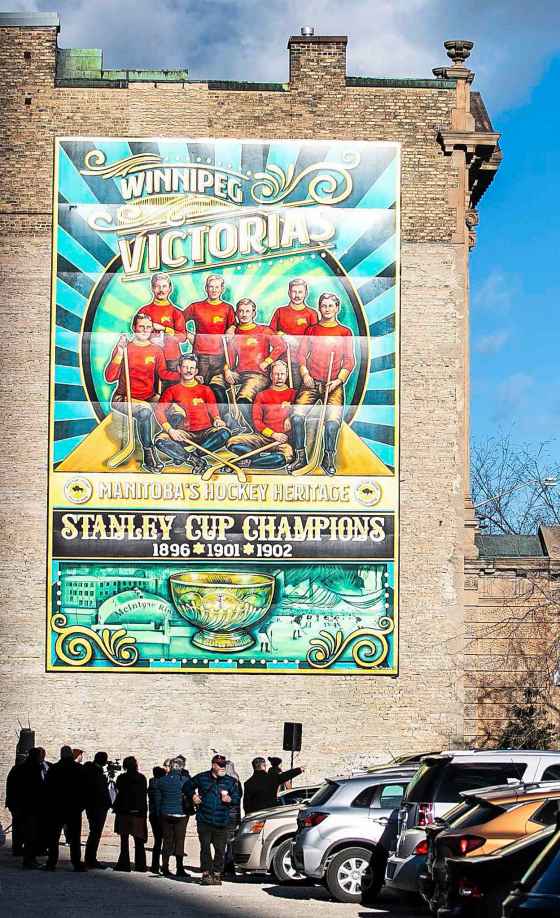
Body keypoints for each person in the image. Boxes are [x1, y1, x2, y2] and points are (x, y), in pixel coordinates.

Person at [289, 292, 355, 476]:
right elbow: (301, 355)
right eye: (324, 306)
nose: (327, 309)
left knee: (332, 423)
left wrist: (338, 381)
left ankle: (328, 458)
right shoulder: (312, 330)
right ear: (319, 308)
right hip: (311, 382)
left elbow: (349, 361)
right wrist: (305, 374)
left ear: (337, 308)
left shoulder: (345, 332)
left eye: (330, 306)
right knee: (296, 417)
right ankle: (300, 457)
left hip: (333, 385)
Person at [104, 313, 180, 473]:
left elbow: (163, 373)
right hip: (124, 397)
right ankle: (148, 453)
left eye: (148, 327)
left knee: (176, 411)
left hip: (149, 396)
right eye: (141, 327)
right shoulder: (125, 348)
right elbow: (110, 377)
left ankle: (170, 446)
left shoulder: (156, 350)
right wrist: (119, 352)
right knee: (145, 411)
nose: (145, 330)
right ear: (134, 328)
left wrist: (183, 375)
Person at [214, 298, 286, 431]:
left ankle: (255, 429)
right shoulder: (234, 334)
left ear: (254, 313)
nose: (244, 314)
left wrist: (267, 361)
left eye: (247, 311)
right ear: (237, 313)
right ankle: (228, 419)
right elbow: (229, 358)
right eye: (241, 311)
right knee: (216, 382)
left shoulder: (264, 330)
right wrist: (227, 371)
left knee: (243, 399)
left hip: (258, 375)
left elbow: (281, 346)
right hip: (239, 373)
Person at [154, 353, 229, 473]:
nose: (188, 371)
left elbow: (213, 409)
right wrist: (170, 430)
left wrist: (217, 419)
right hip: (184, 434)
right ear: (179, 369)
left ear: (196, 371)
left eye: (192, 368)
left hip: (206, 433)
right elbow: (159, 411)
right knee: (160, 441)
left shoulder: (205, 389)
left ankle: (190, 455)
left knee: (224, 433)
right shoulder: (171, 391)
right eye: (185, 367)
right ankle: (194, 460)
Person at [227, 359, 295, 469]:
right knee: (232, 442)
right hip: (263, 438)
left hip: (282, 442)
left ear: (287, 375)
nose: (279, 377)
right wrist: (273, 434)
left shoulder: (293, 394)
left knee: (285, 457)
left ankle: (247, 463)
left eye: (282, 374)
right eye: (276, 374)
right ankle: (258, 458)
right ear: (271, 376)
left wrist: (289, 417)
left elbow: (299, 413)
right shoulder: (262, 395)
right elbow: (257, 422)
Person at [184, 753, 241, 886]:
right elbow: (187, 786)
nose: (223, 767)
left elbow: (237, 798)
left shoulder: (230, 781)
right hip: (204, 818)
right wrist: (193, 796)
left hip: (222, 820)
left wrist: (230, 799)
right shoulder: (202, 777)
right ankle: (206, 874)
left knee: (220, 850)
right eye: (220, 765)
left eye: (224, 765)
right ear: (213, 765)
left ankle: (216, 873)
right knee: (205, 848)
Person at [183, 275, 236, 385]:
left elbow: (233, 325)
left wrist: (232, 328)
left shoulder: (228, 308)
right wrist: (188, 335)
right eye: (211, 287)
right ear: (206, 288)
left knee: (217, 387)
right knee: (199, 385)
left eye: (217, 287)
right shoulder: (195, 307)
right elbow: (178, 321)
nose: (214, 290)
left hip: (220, 356)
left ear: (222, 289)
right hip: (200, 355)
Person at [44, 745, 87, 871]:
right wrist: (81, 806)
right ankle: (76, 863)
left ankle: (51, 862)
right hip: (74, 808)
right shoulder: (79, 769)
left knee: (54, 837)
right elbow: (84, 789)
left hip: (56, 808)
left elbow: (47, 789)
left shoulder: (54, 769)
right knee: (75, 837)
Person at [270, 279, 317, 387]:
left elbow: (315, 339)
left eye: (300, 292)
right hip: (281, 360)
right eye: (294, 292)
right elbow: (270, 333)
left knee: (295, 390)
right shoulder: (280, 311)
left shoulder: (311, 314)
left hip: (301, 363)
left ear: (306, 293)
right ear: (289, 293)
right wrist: (282, 335)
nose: (297, 295)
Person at [136, 272, 186, 371]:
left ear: (170, 288)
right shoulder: (144, 311)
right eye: (157, 286)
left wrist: (164, 329)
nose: (161, 290)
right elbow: (137, 333)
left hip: (171, 358)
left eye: (164, 286)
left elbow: (183, 337)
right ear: (152, 288)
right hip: (150, 357)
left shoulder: (176, 312)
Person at [153, 756, 191, 878]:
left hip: (165, 813)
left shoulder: (161, 781)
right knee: (180, 841)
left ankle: (165, 867)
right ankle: (180, 868)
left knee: (167, 841)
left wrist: (159, 814)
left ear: (170, 767)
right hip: (181, 813)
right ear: (182, 768)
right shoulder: (185, 781)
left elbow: (157, 800)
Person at [112, 756, 148, 872]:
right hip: (138, 812)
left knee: (124, 840)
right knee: (139, 840)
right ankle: (140, 865)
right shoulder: (142, 778)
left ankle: (124, 863)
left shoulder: (122, 778)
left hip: (124, 811)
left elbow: (118, 790)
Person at [18, 748, 46, 869]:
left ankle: (29, 858)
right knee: (32, 835)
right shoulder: (34, 769)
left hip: (25, 806)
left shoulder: (22, 768)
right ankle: (29, 860)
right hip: (33, 807)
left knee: (29, 834)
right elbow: (38, 788)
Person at [83, 751, 112, 869]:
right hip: (98, 806)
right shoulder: (96, 773)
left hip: (92, 805)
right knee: (95, 833)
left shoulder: (90, 770)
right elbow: (101, 790)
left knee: (94, 832)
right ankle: (91, 859)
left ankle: (89, 858)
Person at [223, 761, 243, 879]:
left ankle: (222, 866)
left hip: (225, 814)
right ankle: (230, 866)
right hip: (235, 814)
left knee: (222, 841)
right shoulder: (237, 781)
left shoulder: (223, 782)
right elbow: (239, 797)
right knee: (231, 842)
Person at [5, 753, 27, 856]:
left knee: (17, 826)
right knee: (19, 826)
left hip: (14, 803)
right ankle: (18, 847)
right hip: (18, 804)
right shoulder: (21, 771)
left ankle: (17, 847)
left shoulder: (14, 770)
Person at [148, 766, 166, 874]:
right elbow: (158, 802)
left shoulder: (152, 783)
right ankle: (160, 865)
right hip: (159, 815)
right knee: (162, 841)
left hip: (153, 814)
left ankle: (155, 865)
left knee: (158, 841)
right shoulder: (159, 786)